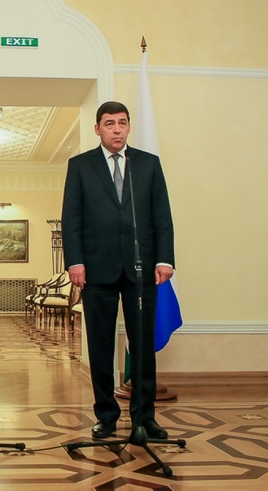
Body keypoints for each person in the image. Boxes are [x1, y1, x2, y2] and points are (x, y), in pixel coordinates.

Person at [61, 101, 175, 440]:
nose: (117, 129)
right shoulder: (80, 166)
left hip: (142, 269)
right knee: (99, 345)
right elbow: (72, 218)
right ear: (98, 129)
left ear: (128, 127)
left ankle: (145, 416)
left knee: (142, 345)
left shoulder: (148, 164)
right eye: (110, 123)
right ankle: (106, 415)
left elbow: (162, 215)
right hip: (96, 269)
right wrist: (75, 261)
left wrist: (164, 259)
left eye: (122, 123)